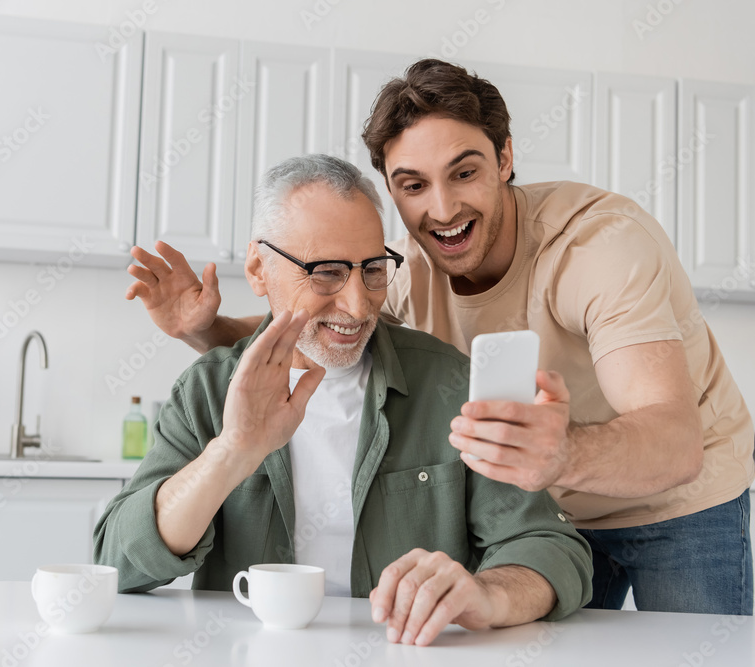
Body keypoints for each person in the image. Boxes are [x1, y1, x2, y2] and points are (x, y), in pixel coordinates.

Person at [123, 59, 754, 617]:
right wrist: (205, 328)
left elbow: (676, 444)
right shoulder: (393, 268)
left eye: (466, 172)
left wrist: (562, 456)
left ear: (506, 158)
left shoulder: (597, 247)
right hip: (543, 509)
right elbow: (326, 329)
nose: (444, 209)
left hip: (673, 503)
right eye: (414, 185)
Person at [95, 155, 592, 647]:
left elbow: (552, 547)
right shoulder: (207, 391)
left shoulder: (449, 384)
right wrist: (232, 451)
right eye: (326, 272)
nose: (357, 306)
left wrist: (487, 595)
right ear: (258, 270)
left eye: (373, 269)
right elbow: (117, 561)